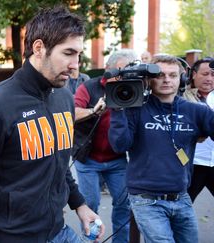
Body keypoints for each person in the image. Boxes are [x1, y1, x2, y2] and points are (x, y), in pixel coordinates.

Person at [0, 6, 104, 242]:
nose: (76, 65)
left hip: (59, 231)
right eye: (68, 53)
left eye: (78, 55)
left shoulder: (64, 98)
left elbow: (60, 163)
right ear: (38, 48)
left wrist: (80, 205)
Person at [108, 54, 214, 242]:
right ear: (149, 80)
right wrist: (117, 110)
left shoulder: (197, 111)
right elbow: (119, 145)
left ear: (181, 79)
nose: (166, 80)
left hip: (182, 197)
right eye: (160, 75)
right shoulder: (134, 110)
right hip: (145, 199)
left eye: (173, 75)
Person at [73, 49, 136, 243]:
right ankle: (90, 240)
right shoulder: (89, 87)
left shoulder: (134, 89)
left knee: (123, 205)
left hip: (116, 159)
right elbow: (72, 113)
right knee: (90, 204)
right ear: (108, 68)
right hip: (88, 159)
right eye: (120, 70)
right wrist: (93, 110)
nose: (123, 75)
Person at [183, 57, 214, 202]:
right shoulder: (181, 97)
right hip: (192, 163)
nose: (209, 79)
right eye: (205, 74)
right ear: (194, 74)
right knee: (182, 206)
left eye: (213, 75)